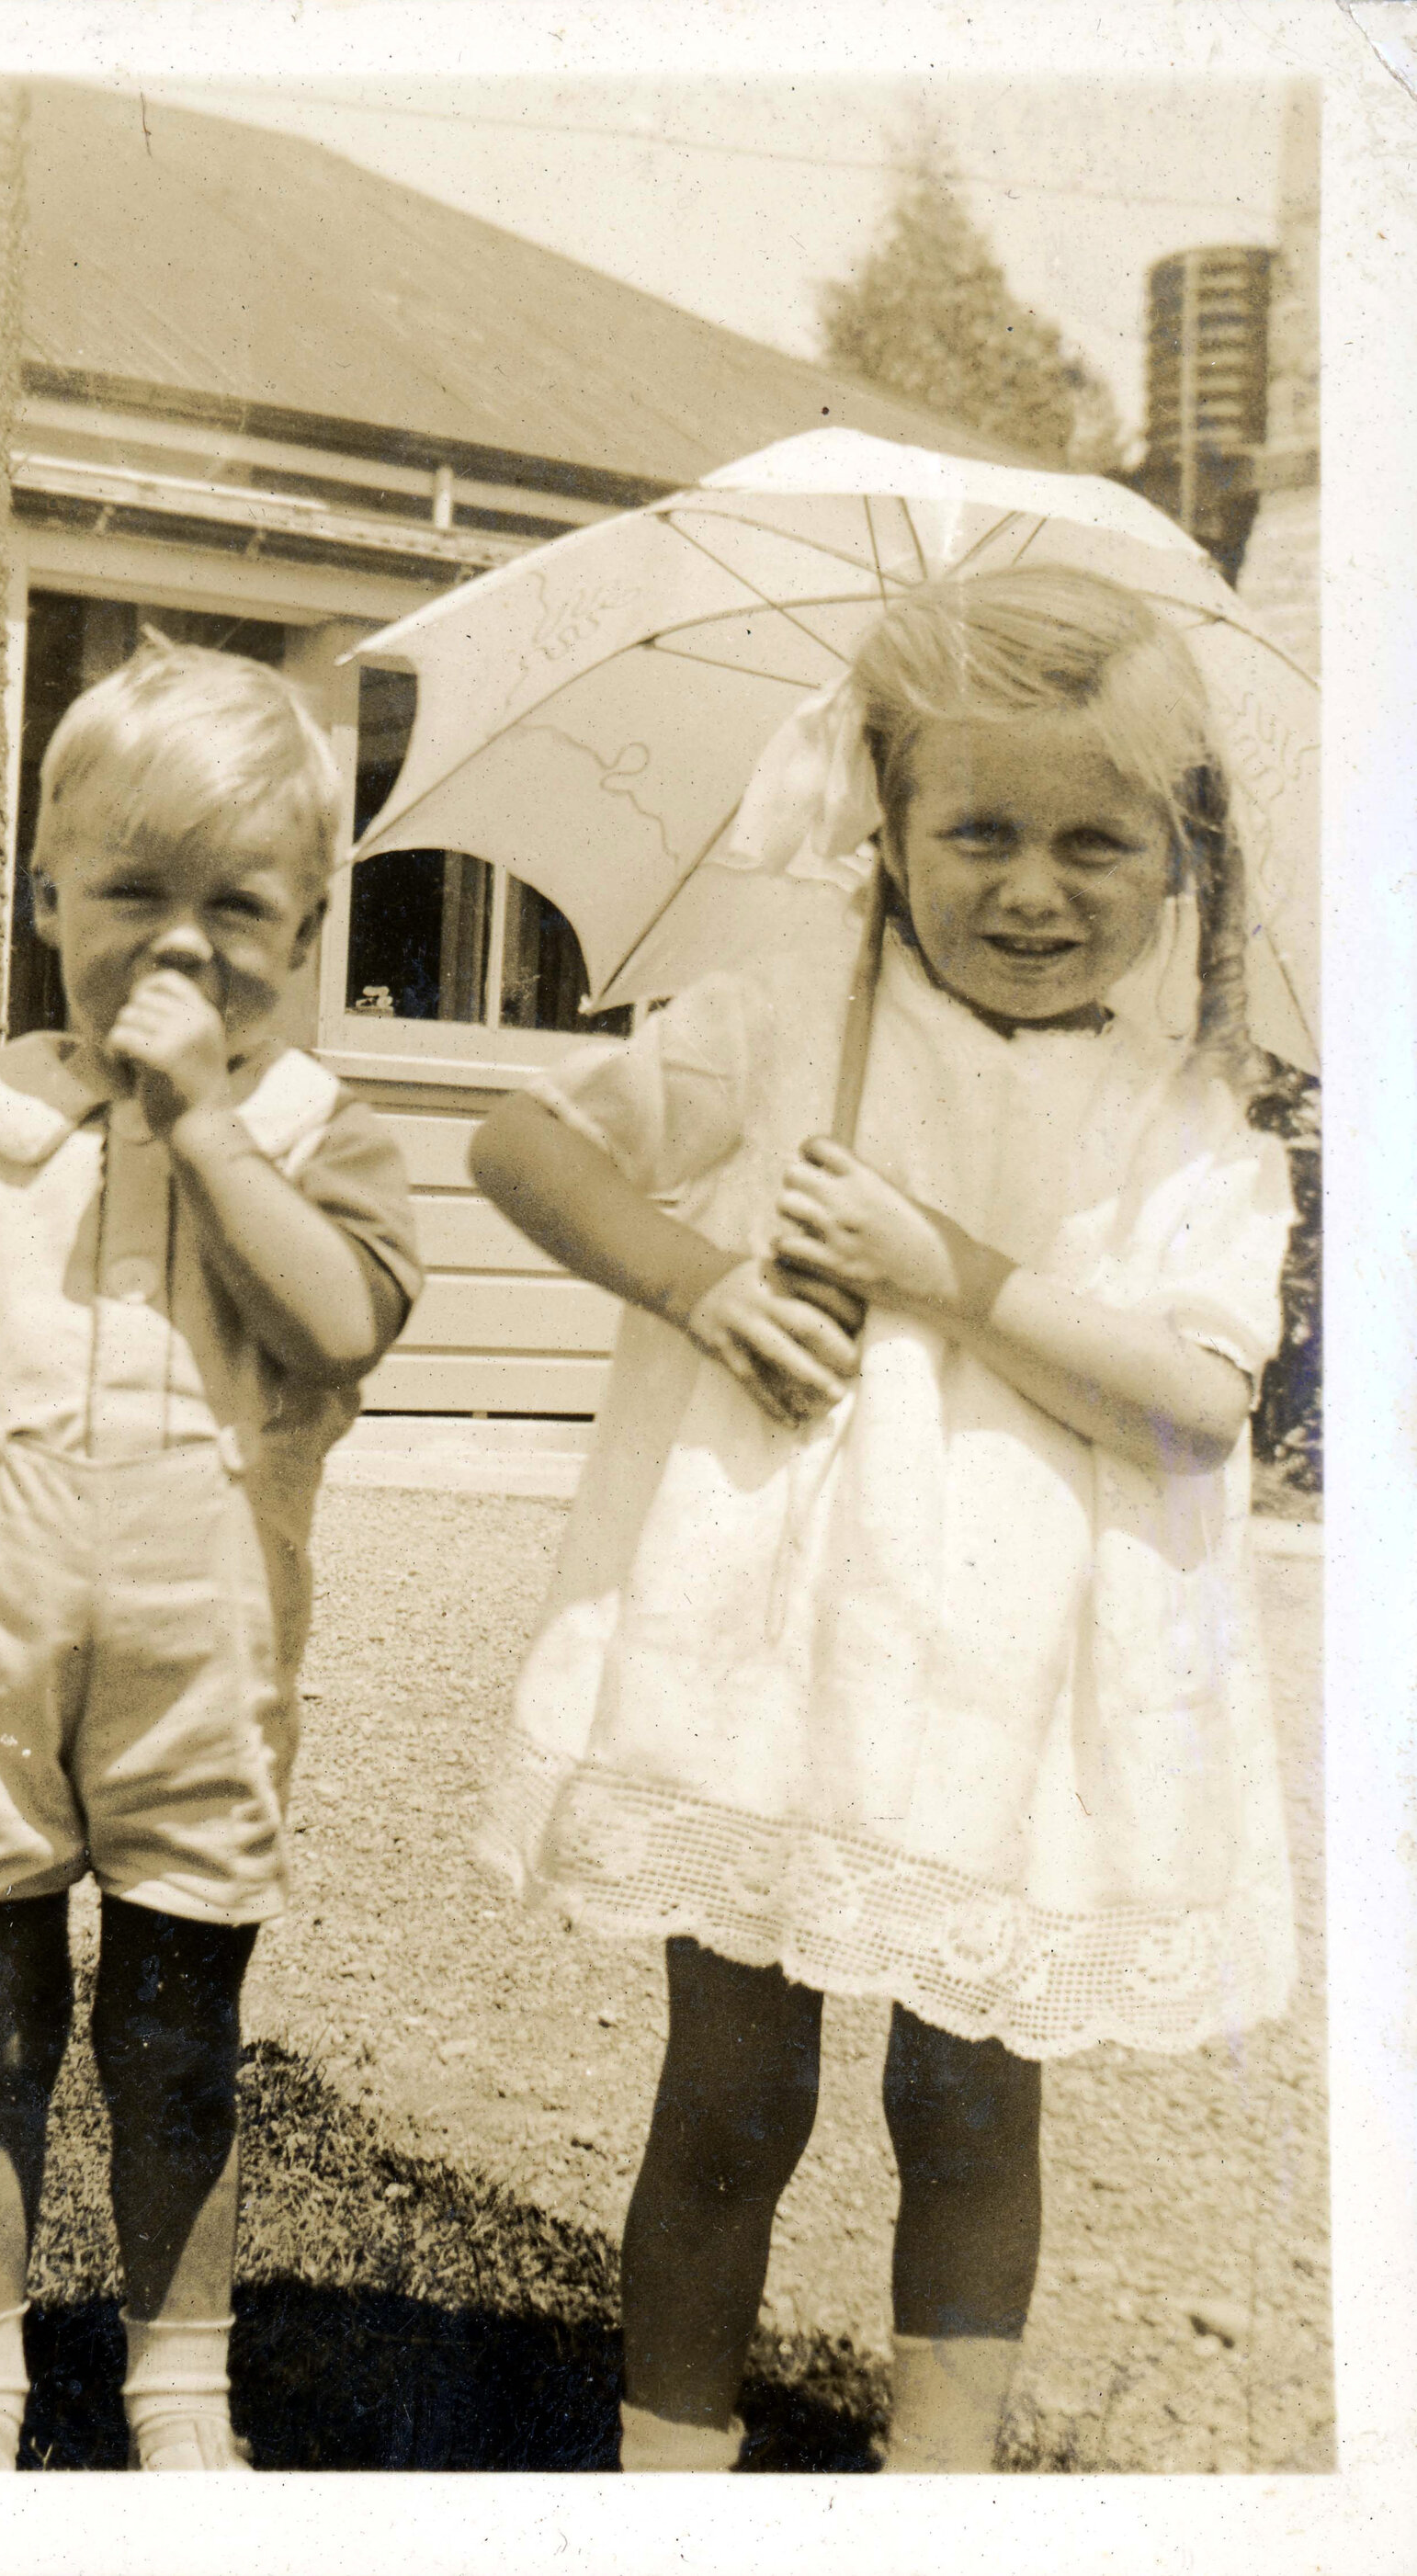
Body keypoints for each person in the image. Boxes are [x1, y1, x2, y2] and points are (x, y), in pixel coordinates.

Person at [470, 567, 1298, 2474]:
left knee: (970, 2100)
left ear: (1172, 868)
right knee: (733, 2092)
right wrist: (697, 1281)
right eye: (977, 828)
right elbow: (524, 1143)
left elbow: (1194, 1399)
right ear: (885, 823)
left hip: (1013, 1696)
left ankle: (939, 2490)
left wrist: (941, 1267)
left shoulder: (1189, 1126)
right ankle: (669, 2473)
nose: (1032, 887)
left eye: (1094, 840)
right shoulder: (784, 1029)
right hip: (770, 1650)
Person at [0, 640, 421, 2472]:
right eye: (133, 894)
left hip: (198, 1672)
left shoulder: (309, 1134)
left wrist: (206, 1122)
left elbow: (339, 1327)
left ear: (304, 931)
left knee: (177, 2031)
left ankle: (177, 2378)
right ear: (47, 891)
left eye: (237, 910)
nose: (179, 946)